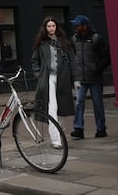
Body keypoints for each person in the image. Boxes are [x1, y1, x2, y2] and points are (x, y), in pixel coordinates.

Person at [30, 16, 74, 148]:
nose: (51, 28)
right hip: (48, 79)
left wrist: (76, 78)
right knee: (51, 109)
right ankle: (56, 140)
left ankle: (60, 134)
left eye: (53, 26)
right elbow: (34, 61)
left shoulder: (64, 42)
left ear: (57, 27)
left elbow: (72, 60)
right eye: (48, 26)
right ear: (45, 28)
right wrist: (38, 74)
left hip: (63, 79)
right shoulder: (41, 43)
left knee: (61, 110)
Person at [70, 14, 111, 139]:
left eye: (78, 25)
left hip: (95, 78)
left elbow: (106, 57)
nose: (75, 27)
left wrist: (97, 70)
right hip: (80, 78)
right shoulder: (74, 39)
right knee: (79, 103)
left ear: (84, 26)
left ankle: (101, 129)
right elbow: (73, 57)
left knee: (98, 104)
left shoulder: (97, 38)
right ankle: (78, 128)